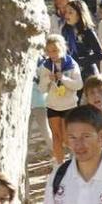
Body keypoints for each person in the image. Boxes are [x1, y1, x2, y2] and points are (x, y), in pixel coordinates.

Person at [39, 34, 83, 164]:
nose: (52, 54)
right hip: (53, 105)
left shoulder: (71, 64)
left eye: (55, 50)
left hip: (69, 105)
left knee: (67, 138)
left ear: (62, 48)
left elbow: (79, 85)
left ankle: (75, 162)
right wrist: (48, 79)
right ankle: (59, 164)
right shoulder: (46, 66)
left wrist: (63, 78)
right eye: (49, 51)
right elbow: (42, 89)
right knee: (56, 137)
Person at [62, 0, 102, 83]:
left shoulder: (88, 31)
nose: (66, 15)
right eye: (66, 12)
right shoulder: (65, 30)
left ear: (79, 14)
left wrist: (79, 62)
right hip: (73, 72)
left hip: (88, 73)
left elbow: (100, 54)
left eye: (70, 12)